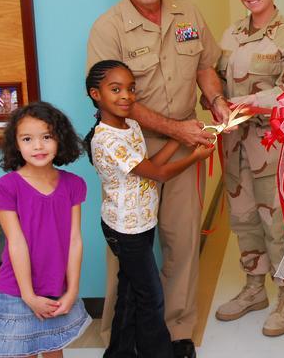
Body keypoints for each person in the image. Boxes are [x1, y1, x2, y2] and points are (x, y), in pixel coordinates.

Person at [87, 0, 228, 358]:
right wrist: (176, 130)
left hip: (185, 144)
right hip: (130, 148)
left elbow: (205, 65)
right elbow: (116, 99)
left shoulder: (188, 14)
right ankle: (121, 336)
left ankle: (176, 331)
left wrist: (215, 99)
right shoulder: (108, 28)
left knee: (181, 241)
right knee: (128, 251)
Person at [85, 60, 214, 358]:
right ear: (96, 94)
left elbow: (149, 166)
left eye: (131, 89)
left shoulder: (130, 126)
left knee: (130, 291)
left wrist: (178, 138)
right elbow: (159, 174)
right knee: (151, 297)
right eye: (115, 89)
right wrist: (195, 157)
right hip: (125, 230)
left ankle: (119, 352)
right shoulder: (107, 139)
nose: (126, 96)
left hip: (141, 223)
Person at [213, 0, 284, 336]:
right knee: (244, 220)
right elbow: (216, 80)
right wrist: (216, 101)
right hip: (235, 144)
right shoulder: (231, 34)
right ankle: (255, 288)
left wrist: (254, 101)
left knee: (279, 223)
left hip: (273, 146)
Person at [0, 101, 92, 358]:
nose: (38, 146)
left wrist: (72, 290)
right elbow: (16, 242)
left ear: (60, 139)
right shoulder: (7, 186)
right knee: (23, 352)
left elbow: (75, 240)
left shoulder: (73, 184)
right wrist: (28, 296)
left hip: (56, 287)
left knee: (53, 351)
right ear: (16, 144)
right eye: (27, 139)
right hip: (17, 290)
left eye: (47, 137)